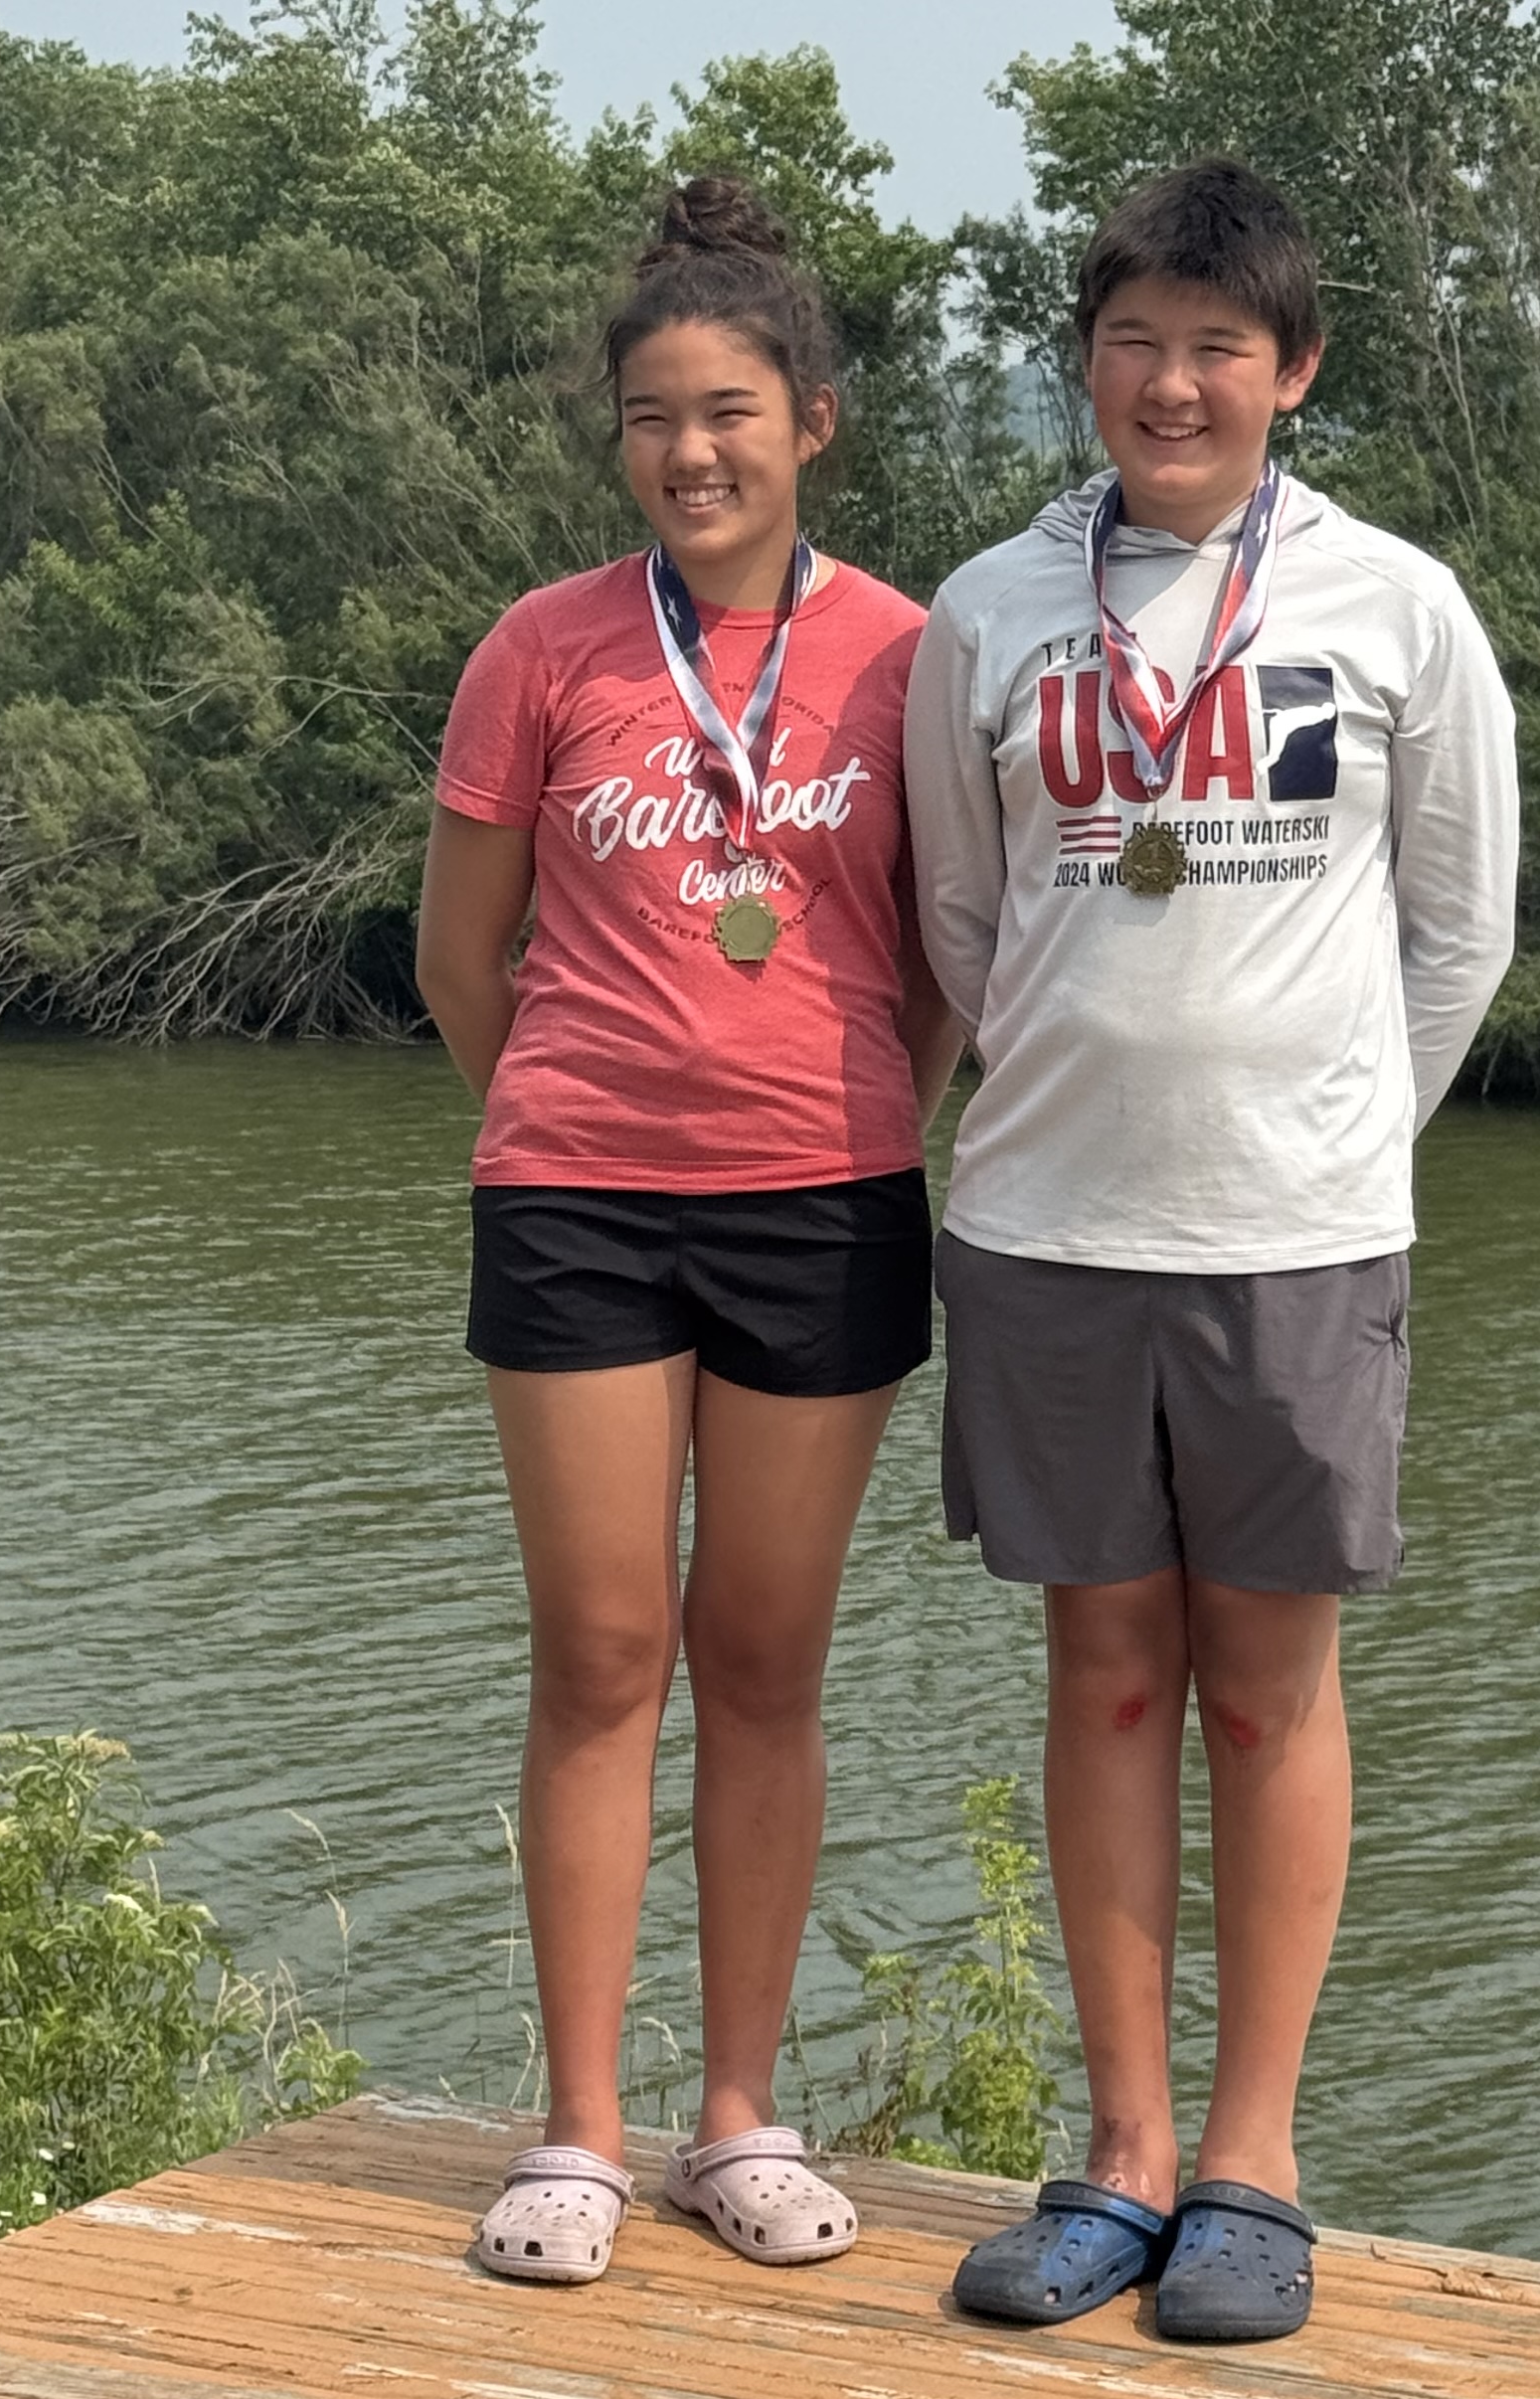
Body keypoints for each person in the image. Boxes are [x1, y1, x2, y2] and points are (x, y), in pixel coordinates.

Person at [904, 157, 1518, 2343]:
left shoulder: (1396, 606)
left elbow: (1459, 928)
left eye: (1217, 348)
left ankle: (1255, 2161)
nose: (1172, 384)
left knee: (1268, 1694)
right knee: (1103, 1677)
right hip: (1047, 1222)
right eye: (1133, 342)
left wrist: (1328, 1138)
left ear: (1294, 371)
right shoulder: (990, 612)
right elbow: (962, 920)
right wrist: (1095, 1094)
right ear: (1087, 359)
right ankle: (1123, 2155)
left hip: (1299, 1238)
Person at [417, 176, 961, 2288]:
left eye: (727, 410)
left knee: (760, 1659)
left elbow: (939, 957)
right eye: (651, 417)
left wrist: (849, 1113)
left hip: (823, 1201)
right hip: (578, 1202)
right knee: (597, 1653)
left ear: (812, 419)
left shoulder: (907, 652)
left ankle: (738, 2115)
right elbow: (462, 956)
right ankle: (574, 2129)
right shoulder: (542, 647)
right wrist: (577, 1114)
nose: (689, 451)